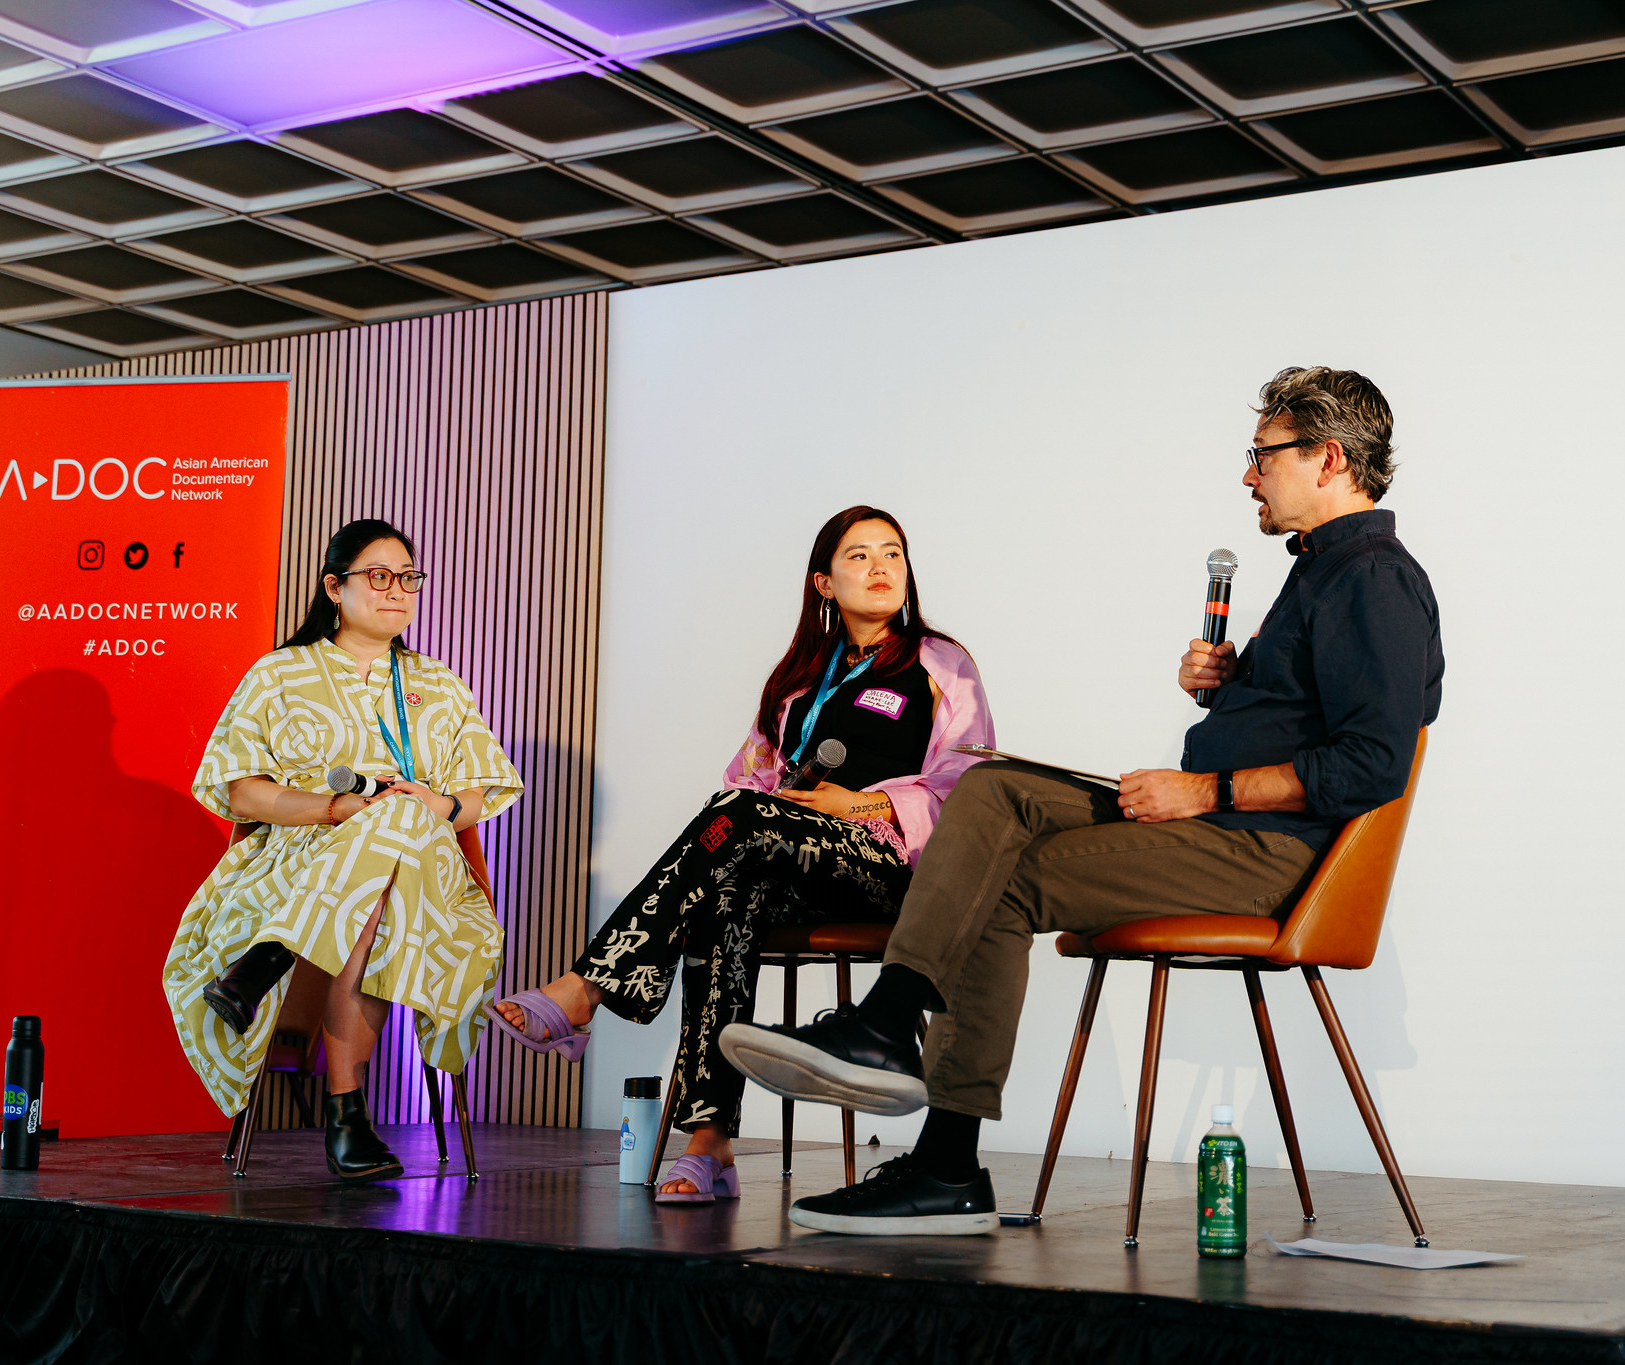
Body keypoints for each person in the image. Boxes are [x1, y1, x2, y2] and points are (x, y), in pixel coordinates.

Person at [722, 367, 1445, 1235]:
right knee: (992, 787)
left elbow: (1371, 763)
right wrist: (1232, 689)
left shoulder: (1375, 578)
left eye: (1263, 455)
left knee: (1002, 879)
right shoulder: (1321, 574)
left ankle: (938, 1146)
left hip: (1268, 854)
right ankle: (889, 1033)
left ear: (1328, 458)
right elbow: (1308, 721)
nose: (1248, 475)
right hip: (1224, 824)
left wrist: (1203, 787)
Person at [489, 506, 994, 1205]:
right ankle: (711, 1141)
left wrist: (864, 804)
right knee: (726, 891)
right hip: (791, 858)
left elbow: (969, 784)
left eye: (892, 553)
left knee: (738, 828)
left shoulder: (941, 663)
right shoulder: (797, 679)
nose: (881, 568)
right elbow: (747, 782)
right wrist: (778, 811)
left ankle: (588, 987)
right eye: (859, 556)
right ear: (823, 582)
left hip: (890, 866)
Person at [162, 518, 523, 1183]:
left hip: (426, 870)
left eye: (408, 578)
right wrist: (333, 808)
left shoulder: (438, 683)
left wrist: (434, 803)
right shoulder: (279, 673)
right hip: (298, 862)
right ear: (334, 586)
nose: (398, 591)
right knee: (380, 879)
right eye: (379, 576)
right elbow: (242, 790)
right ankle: (346, 1112)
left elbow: (474, 796)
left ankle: (266, 960)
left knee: (399, 819)